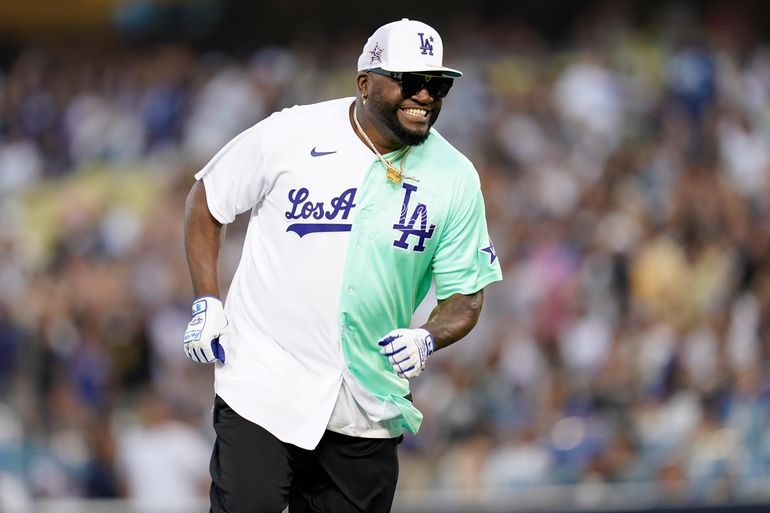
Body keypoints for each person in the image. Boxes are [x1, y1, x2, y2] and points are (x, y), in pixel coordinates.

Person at [183, 18, 503, 513]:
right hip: (265, 378)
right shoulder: (292, 132)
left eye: (436, 84)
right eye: (409, 80)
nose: (425, 95)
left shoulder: (456, 177)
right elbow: (207, 200)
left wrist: (428, 336)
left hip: (367, 400)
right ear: (364, 82)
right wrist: (208, 299)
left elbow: (467, 292)